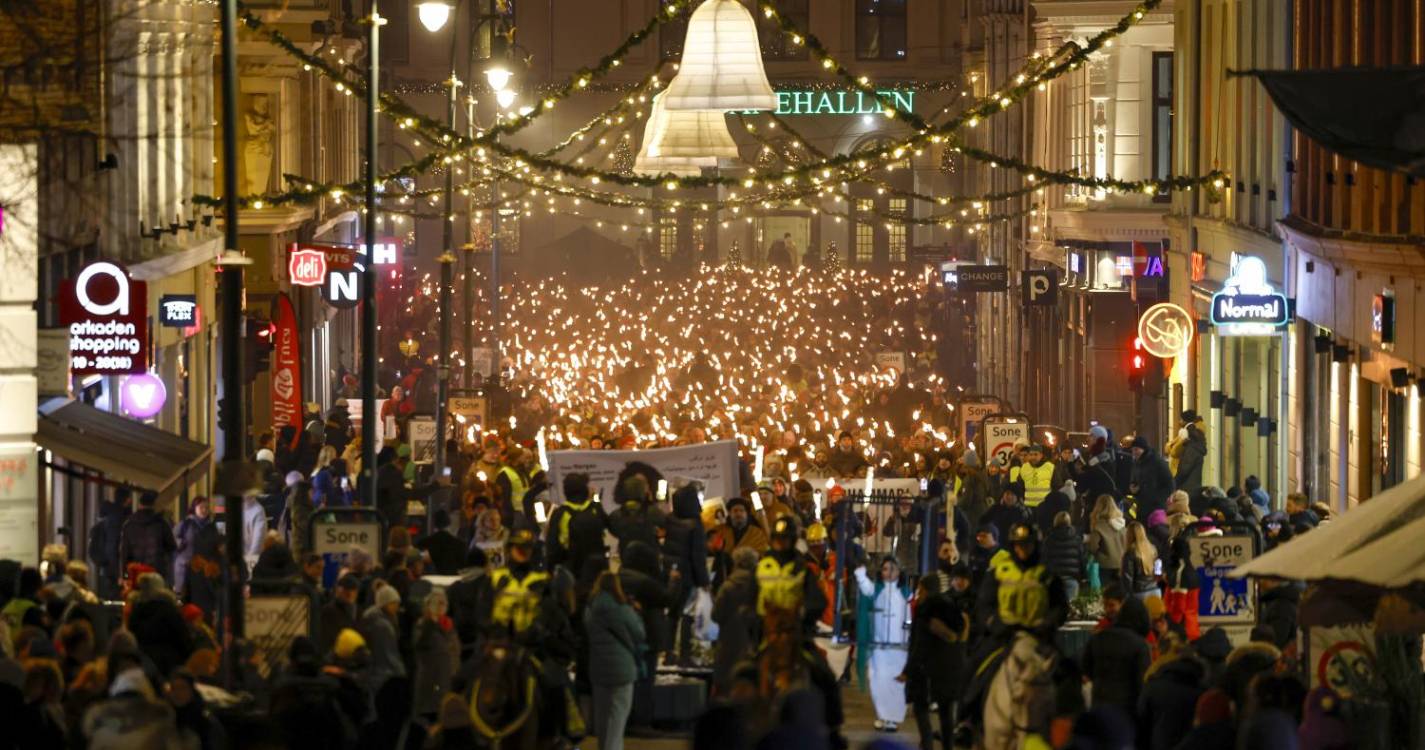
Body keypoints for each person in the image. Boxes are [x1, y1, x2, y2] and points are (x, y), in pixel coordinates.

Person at [901, 574, 968, 750]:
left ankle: (927, 745)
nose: (918, 592)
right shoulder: (952, 607)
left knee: (921, 709)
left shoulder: (925, 609)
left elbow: (919, 646)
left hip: (928, 672)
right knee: (946, 713)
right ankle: (948, 746)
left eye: (920, 588)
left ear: (927, 589)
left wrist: (908, 670)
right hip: (951, 670)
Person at [585, 571, 645, 750]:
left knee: (603, 724)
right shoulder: (621, 607)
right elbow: (639, 633)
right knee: (616, 723)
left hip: (598, 670)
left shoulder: (590, 608)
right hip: (622, 671)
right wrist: (637, 613)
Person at [854, 555, 912, 732]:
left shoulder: (907, 593)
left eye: (893, 569)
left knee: (896, 683)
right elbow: (865, 588)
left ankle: (892, 719)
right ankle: (882, 715)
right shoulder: (876, 589)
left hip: (899, 648)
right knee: (878, 681)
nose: (889, 572)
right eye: (886, 569)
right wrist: (861, 574)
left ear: (899, 572)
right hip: (879, 647)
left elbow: (911, 617)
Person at [1080, 594, 1152, 712]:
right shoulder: (1140, 645)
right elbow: (1142, 683)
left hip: (1099, 706)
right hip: (1126, 710)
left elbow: (1086, 670)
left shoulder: (1098, 638)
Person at [711, 547, 760, 696]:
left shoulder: (727, 586)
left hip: (727, 644)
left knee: (725, 687)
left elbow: (715, 615)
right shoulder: (759, 587)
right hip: (751, 645)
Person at [545, 472, 609, 580]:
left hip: (572, 568)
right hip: (597, 567)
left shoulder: (560, 513)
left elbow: (552, 546)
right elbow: (610, 526)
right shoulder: (595, 508)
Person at [412, 587, 458, 722]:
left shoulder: (448, 626)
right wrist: (430, 623)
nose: (440, 607)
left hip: (447, 682)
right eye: (437, 603)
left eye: (443, 603)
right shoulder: (423, 625)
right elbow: (419, 644)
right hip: (430, 684)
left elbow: (454, 651)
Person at [119, 491, 177, 586]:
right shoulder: (161, 524)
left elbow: (124, 552)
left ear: (140, 504)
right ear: (154, 505)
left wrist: (123, 575)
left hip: (136, 572)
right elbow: (171, 548)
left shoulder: (129, 524)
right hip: (158, 573)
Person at [358, 581, 406, 695]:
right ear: (385, 603)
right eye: (393, 603)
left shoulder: (377, 619)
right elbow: (387, 654)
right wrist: (400, 672)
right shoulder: (382, 626)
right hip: (383, 678)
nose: (396, 606)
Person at [89, 489, 132, 599]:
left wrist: (103, 563)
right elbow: (115, 547)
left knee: (109, 600)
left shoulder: (104, 521)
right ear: (127, 500)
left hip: (107, 570)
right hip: (121, 569)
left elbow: (93, 547)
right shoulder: (124, 520)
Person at [172, 496, 212, 594]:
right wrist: (180, 543)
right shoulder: (185, 524)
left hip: (203, 570)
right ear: (194, 508)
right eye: (201, 507)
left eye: (206, 508)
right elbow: (171, 539)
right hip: (185, 568)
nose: (204, 510)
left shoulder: (210, 526)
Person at [1129, 435, 1175, 519]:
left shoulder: (1157, 462)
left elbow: (1170, 484)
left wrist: (1158, 499)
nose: (1134, 452)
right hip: (1141, 506)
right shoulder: (1136, 463)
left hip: (1156, 509)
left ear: (1144, 449)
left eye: (1136, 449)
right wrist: (1133, 488)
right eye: (1132, 450)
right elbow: (1134, 479)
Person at [1043, 510, 1086, 601]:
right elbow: (1081, 558)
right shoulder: (1076, 538)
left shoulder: (1049, 539)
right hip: (1072, 578)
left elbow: (1045, 558)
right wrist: (1083, 575)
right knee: (1071, 609)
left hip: (1055, 580)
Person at [1088, 494, 1127, 587]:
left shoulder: (1098, 526)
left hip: (1105, 565)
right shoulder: (1122, 525)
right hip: (1122, 563)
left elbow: (1092, 547)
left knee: (1106, 594)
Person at [416, 509, 466, 576]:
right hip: (453, 579)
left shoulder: (425, 543)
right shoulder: (460, 544)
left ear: (433, 523)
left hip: (432, 579)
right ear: (448, 522)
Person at [1122, 520, 1160, 600]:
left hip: (1139, 592)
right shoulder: (1153, 549)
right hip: (1155, 590)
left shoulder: (1130, 553)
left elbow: (1127, 578)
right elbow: (1158, 570)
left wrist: (1128, 596)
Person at [1009, 444, 1055, 510]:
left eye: (1036, 454)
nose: (1033, 457)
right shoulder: (1024, 468)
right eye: (1031, 455)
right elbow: (1019, 487)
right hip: (1028, 507)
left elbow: (1056, 487)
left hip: (1045, 507)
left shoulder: (1050, 467)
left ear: (1041, 455)